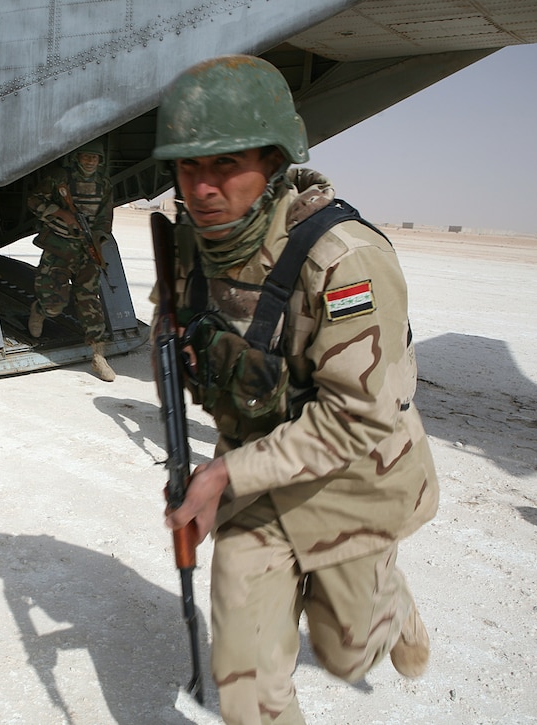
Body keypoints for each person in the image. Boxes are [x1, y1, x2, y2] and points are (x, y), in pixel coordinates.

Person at [153, 55, 439, 724]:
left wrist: (223, 471)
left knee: (348, 654)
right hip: (256, 481)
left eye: (226, 164)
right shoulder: (193, 246)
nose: (203, 187)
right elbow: (188, 333)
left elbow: (356, 421)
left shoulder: (343, 259)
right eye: (189, 168)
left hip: (352, 480)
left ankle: (388, 602)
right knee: (246, 682)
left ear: (276, 159)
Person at [26, 140, 117, 382]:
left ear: (100, 161)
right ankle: (40, 310)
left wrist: (97, 242)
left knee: (89, 299)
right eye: (86, 156)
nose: (90, 161)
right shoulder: (60, 178)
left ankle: (98, 356)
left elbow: (104, 220)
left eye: (95, 158)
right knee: (55, 304)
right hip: (58, 246)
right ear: (78, 157)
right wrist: (62, 214)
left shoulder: (104, 184)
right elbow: (34, 201)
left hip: (85, 249)